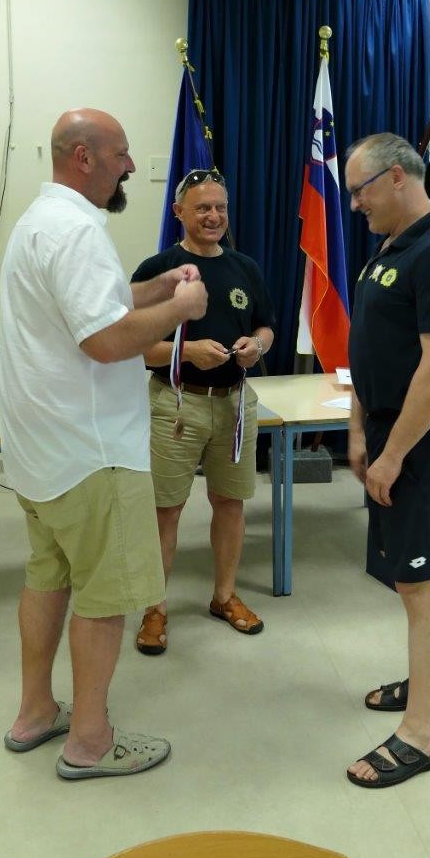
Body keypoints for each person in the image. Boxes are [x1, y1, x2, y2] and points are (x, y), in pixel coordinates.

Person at [0, 108, 207, 780]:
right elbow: (106, 340)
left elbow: (97, 305)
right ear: (83, 157)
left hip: (42, 454)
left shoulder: (40, 222)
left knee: (47, 578)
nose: (131, 166)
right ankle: (89, 742)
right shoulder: (78, 232)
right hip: (93, 455)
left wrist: (156, 287)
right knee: (105, 595)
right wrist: (179, 309)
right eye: (120, 154)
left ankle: (35, 712)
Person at [344, 133, 430, 789]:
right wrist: (359, 432)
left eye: (360, 191)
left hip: (424, 442)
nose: (355, 205)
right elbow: (368, 343)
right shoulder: (393, 248)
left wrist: (393, 454)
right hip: (389, 432)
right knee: (409, 577)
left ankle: (420, 733)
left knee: (421, 583)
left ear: (396, 177)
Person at [131, 168, 275, 656]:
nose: (214, 216)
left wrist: (257, 345)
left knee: (230, 503)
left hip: (234, 405)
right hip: (176, 403)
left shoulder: (245, 268)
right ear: (179, 213)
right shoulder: (158, 270)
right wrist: (188, 352)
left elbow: (266, 326)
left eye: (220, 207)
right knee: (166, 509)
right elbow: (136, 345)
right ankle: (155, 607)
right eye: (202, 208)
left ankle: (224, 596)